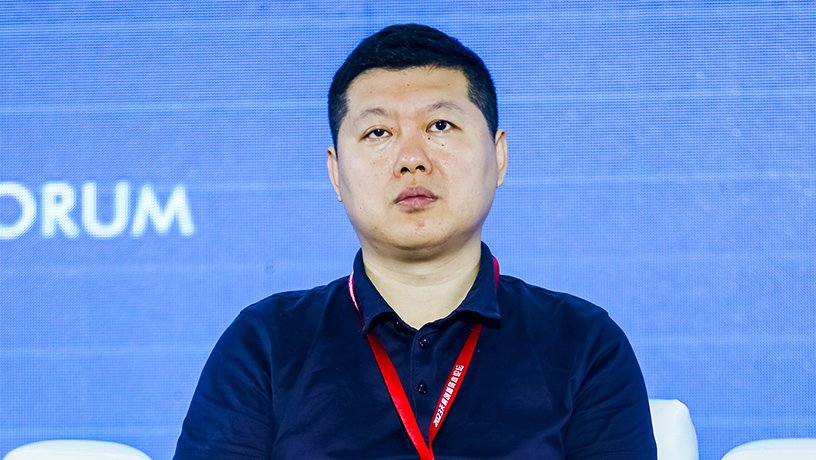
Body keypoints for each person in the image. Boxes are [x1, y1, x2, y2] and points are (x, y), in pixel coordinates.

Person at [174, 24, 657, 460]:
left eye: (440, 126)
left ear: (499, 156)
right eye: (378, 132)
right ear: (336, 173)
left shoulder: (584, 343)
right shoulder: (265, 343)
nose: (411, 158)